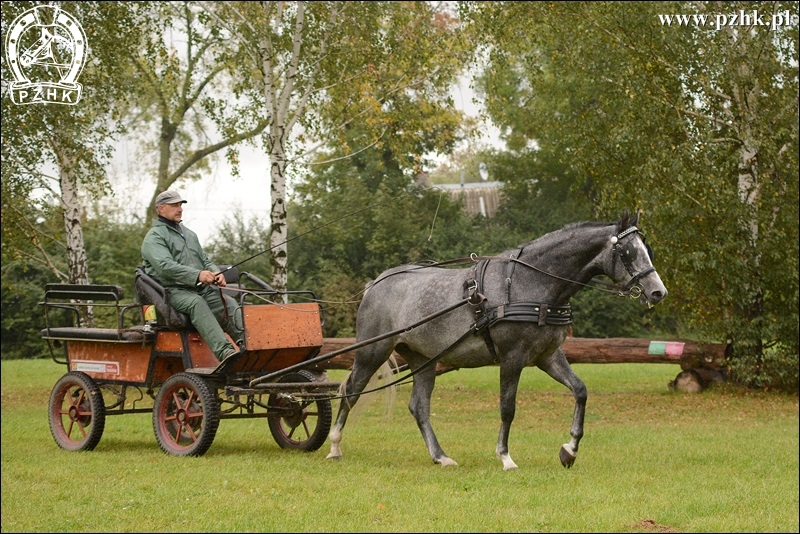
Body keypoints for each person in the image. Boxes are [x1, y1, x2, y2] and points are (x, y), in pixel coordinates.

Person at [140, 190, 243, 362]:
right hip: (171, 292)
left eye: (180, 205)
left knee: (228, 302)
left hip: (199, 289)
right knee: (197, 303)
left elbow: (204, 260)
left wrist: (216, 271)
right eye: (174, 205)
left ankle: (248, 346)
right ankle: (226, 353)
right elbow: (166, 267)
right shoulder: (154, 237)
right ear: (161, 209)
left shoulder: (189, 234)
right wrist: (198, 275)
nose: (179, 209)